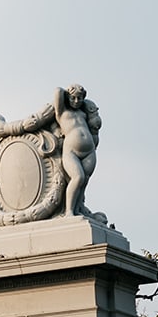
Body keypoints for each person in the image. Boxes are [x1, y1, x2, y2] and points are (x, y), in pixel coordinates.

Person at [52, 84, 101, 218]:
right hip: (71, 151)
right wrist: (70, 91)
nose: (76, 101)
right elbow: (57, 91)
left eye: (79, 98)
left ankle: (78, 209)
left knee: (84, 181)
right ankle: (69, 211)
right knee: (77, 177)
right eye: (73, 98)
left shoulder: (83, 113)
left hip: (89, 151)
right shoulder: (62, 112)